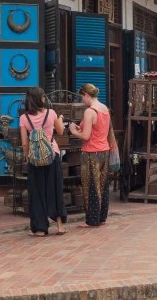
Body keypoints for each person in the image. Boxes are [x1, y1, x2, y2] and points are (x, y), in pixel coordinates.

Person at [19, 87, 67, 237]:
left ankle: (40, 228)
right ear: (39, 99)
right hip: (52, 155)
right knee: (55, 189)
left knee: (37, 192)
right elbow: (60, 132)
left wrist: (29, 157)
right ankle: (59, 226)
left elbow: (25, 143)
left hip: (35, 160)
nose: (44, 99)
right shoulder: (51, 113)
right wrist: (60, 119)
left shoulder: (24, 118)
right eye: (43, 97)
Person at [69, 83, 110, 228]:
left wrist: (74, 131)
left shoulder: (89, 111)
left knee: (91, 186)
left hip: (92, 152)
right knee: (103, 185)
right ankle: (102, 217)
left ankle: (92, 220)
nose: (82, 101)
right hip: (105, 150)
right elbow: (97, 129)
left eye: (82, 97)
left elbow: (86, 136)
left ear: (86, 95)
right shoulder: (104, 109)